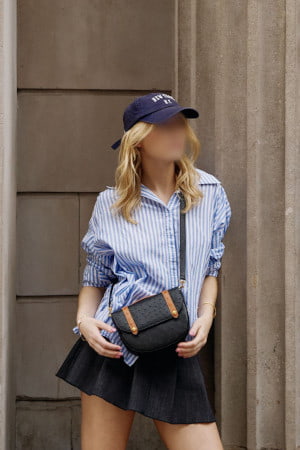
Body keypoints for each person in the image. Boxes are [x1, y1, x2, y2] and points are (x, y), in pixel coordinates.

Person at [55, 92, 232, 450]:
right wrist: (85, 322)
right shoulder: (112, 203)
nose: (177, 133)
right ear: (138, 140)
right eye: (164, 125)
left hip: (175, 346)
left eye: (179, 123)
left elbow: (212, 266)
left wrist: (206, 315)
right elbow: (96, 276)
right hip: (116, 344)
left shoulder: (209, 192)